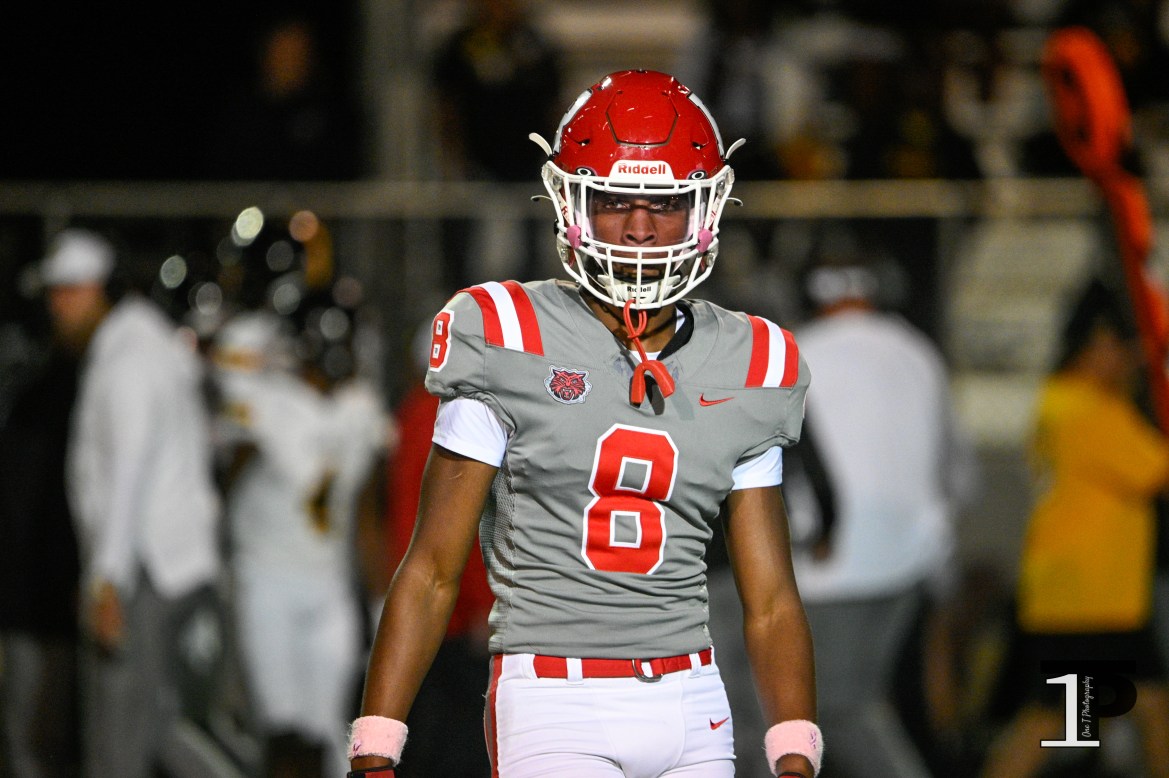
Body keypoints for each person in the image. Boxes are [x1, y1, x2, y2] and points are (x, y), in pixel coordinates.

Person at [347, 69, 821, 778]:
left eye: (662, 200)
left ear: (703, 208)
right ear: (572, 203)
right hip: (553, 696)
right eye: (611, 200)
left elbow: (771, 596)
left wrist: (793, 747)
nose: (638, 225)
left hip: (693, 697)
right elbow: (430, 569)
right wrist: (377, 741)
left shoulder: (747, 359)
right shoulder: (504, 333)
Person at [779, 255, 979, 778]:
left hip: (824, 565)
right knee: (842, 704)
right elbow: (958, 473)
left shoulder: (794, 351)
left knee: (827, 709)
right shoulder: (916, 350)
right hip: (910, 561)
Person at [47, 228, 224, 778]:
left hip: (141, 573)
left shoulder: (127, 358)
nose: (58, 306)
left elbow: (127, 473)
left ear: (96, 290)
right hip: (163, 566)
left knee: (120, 743)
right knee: (153, 728)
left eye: (68, 291)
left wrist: (107, 579)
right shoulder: (144, 342)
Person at [978, 278, 1169, 778]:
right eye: (1126, 350)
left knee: (1132, 709)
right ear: (1100, 344)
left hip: (1083, 595)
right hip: (1090, 600)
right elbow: (1157, 471)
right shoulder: (1093, 411)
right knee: (1058, 720)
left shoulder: (1059, 399)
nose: (1131, 362)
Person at [214, 268, 392, 777]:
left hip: (329, 583)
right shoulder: (265, 403)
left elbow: (364, 512)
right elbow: (227, 484)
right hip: (266, 576)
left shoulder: (360, 409)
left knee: (328, 732)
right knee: (283, 730)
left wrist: (380, 602)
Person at [0, 259, 85, 778]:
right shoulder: (34, 398)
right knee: (36, 733)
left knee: (41, 732)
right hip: (36, 591)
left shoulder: (52, 396)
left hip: (46, 590)